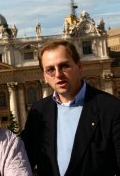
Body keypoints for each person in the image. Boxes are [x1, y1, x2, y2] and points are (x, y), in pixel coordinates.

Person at [21, 39, 120, 176]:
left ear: (79, 67)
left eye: (64, 66)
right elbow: (24, 160)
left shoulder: (111, 108)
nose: (58, 75)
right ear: (44, 76)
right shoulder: (39, 111)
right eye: (50, 70)